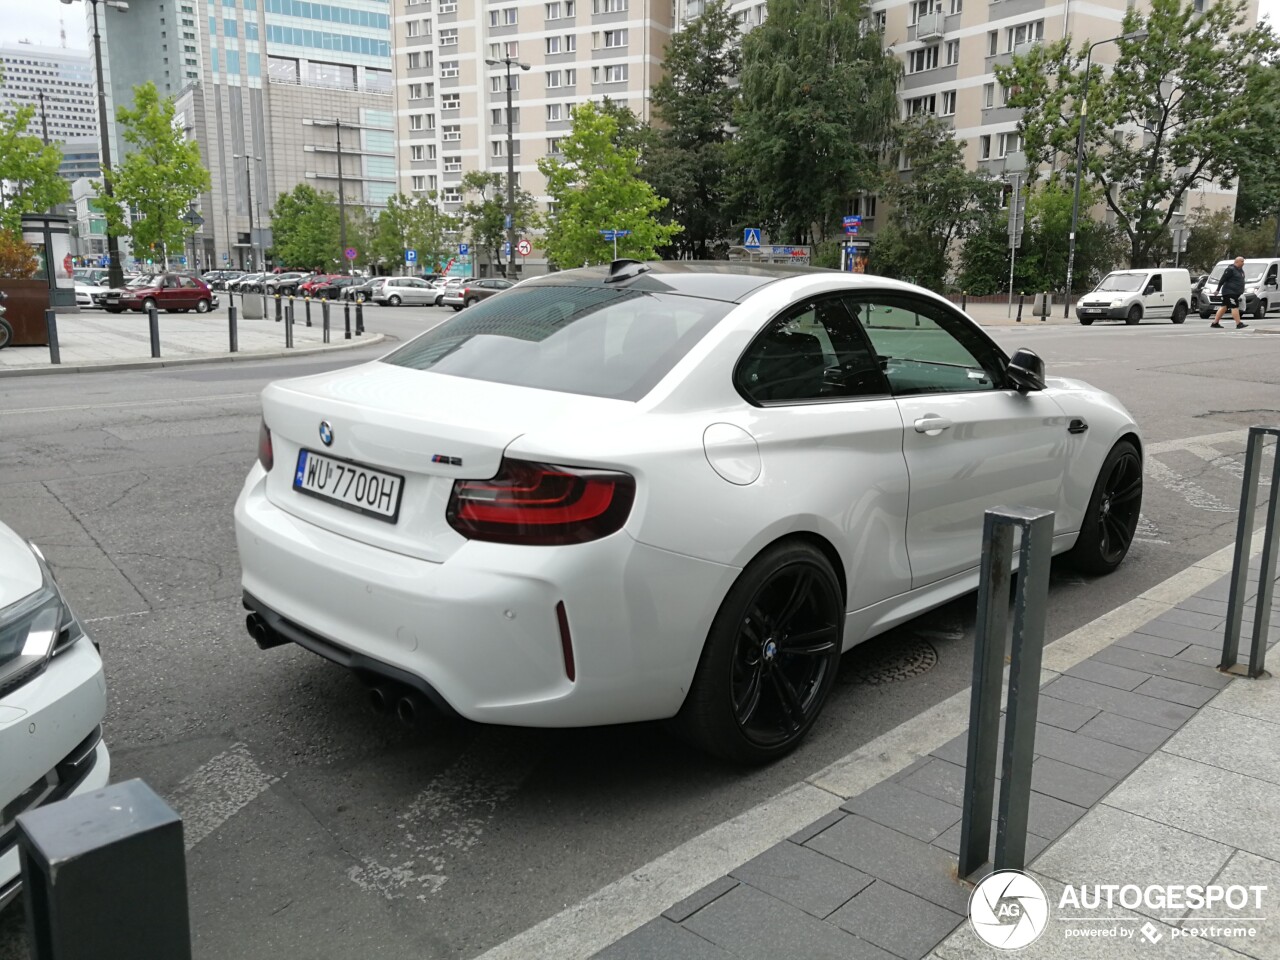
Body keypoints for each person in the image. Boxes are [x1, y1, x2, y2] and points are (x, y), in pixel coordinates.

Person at [1211, 256, 1248, 329]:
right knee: (1234, 306)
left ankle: (1215, 323)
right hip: (1230, 292)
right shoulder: (1230, 269)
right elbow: (1222, 279)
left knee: (1224, 307)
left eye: (1243, 261)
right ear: (1237, 262)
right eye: (1242, 261)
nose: (1243, 263)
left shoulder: (1240, 270)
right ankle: (1238, 323)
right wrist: (1217, 290)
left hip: (1236, 292)